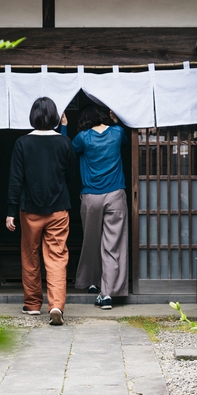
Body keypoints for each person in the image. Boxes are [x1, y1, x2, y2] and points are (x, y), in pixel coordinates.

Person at [6, 97, 76, 326]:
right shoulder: (65, 143)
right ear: (56, 117)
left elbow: (16, 180)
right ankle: (56, 305)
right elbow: (71, 178)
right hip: (58, 208)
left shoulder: (22, 143)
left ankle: (33, 304)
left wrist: (10, 211)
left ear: (33, 116)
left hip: (30, 210)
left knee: (30, 255)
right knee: (56, 257)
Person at [61, 103, 128, 310]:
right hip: (116, 194)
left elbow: (67, 151)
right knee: (113, 244)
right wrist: (117, 120)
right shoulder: (117, 133)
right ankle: (107, 293)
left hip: (90, 195)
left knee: (90, 240)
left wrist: (64, 127)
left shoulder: (83, 137)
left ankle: (90, 282)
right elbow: (126, 141)